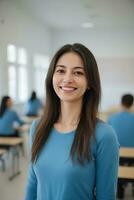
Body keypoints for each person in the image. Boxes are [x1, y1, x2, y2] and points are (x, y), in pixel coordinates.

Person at [25, 43, 119, 200]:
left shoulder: (104, 135)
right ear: (52, 77)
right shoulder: (37, 127)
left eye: (78, 73)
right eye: (61, 70)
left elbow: (106, 196)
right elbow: (32, 185)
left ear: (90, 82)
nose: (67, 79)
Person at [108, 94, 134, 199]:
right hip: (132, 155)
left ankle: (120, 191)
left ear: (121, 103)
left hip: (117, 155)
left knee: (118, 163)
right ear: (132, 104)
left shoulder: (112, 118)